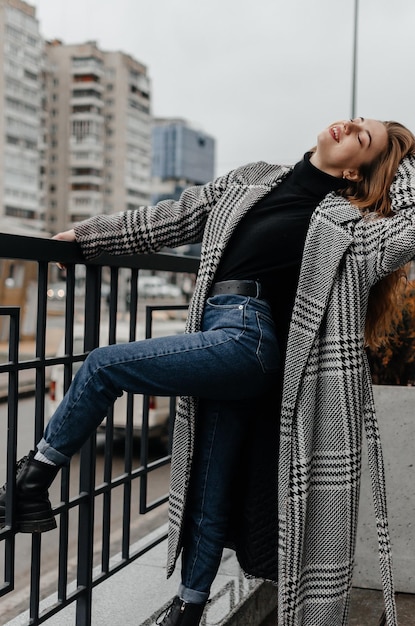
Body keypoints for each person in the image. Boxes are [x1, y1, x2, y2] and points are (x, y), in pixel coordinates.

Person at [1, 117, 415, 626]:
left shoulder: (351, 226)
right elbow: (171, 219)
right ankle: (190, 609)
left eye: (362, 137)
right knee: (211, 478)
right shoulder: (253, 178)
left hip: (250, 342)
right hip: (220, 331)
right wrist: (88, 239)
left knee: (103, 366)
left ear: (356, 174)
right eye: (355, 120)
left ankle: (31, 480)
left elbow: (411, 223)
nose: (348, 125)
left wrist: (403, 154)